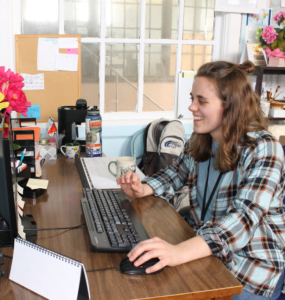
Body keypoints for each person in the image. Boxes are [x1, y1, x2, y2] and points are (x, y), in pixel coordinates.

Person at [117, 60, 285, 300]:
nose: (191, 107)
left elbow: (244, 220)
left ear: (231, 105)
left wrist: (177, 252)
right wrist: (141, 188)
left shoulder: (264, 148)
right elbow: (175, 174)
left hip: (250, 269)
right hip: (210, 252)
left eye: (201, 101)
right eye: (192, 98)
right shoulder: (200, 139)